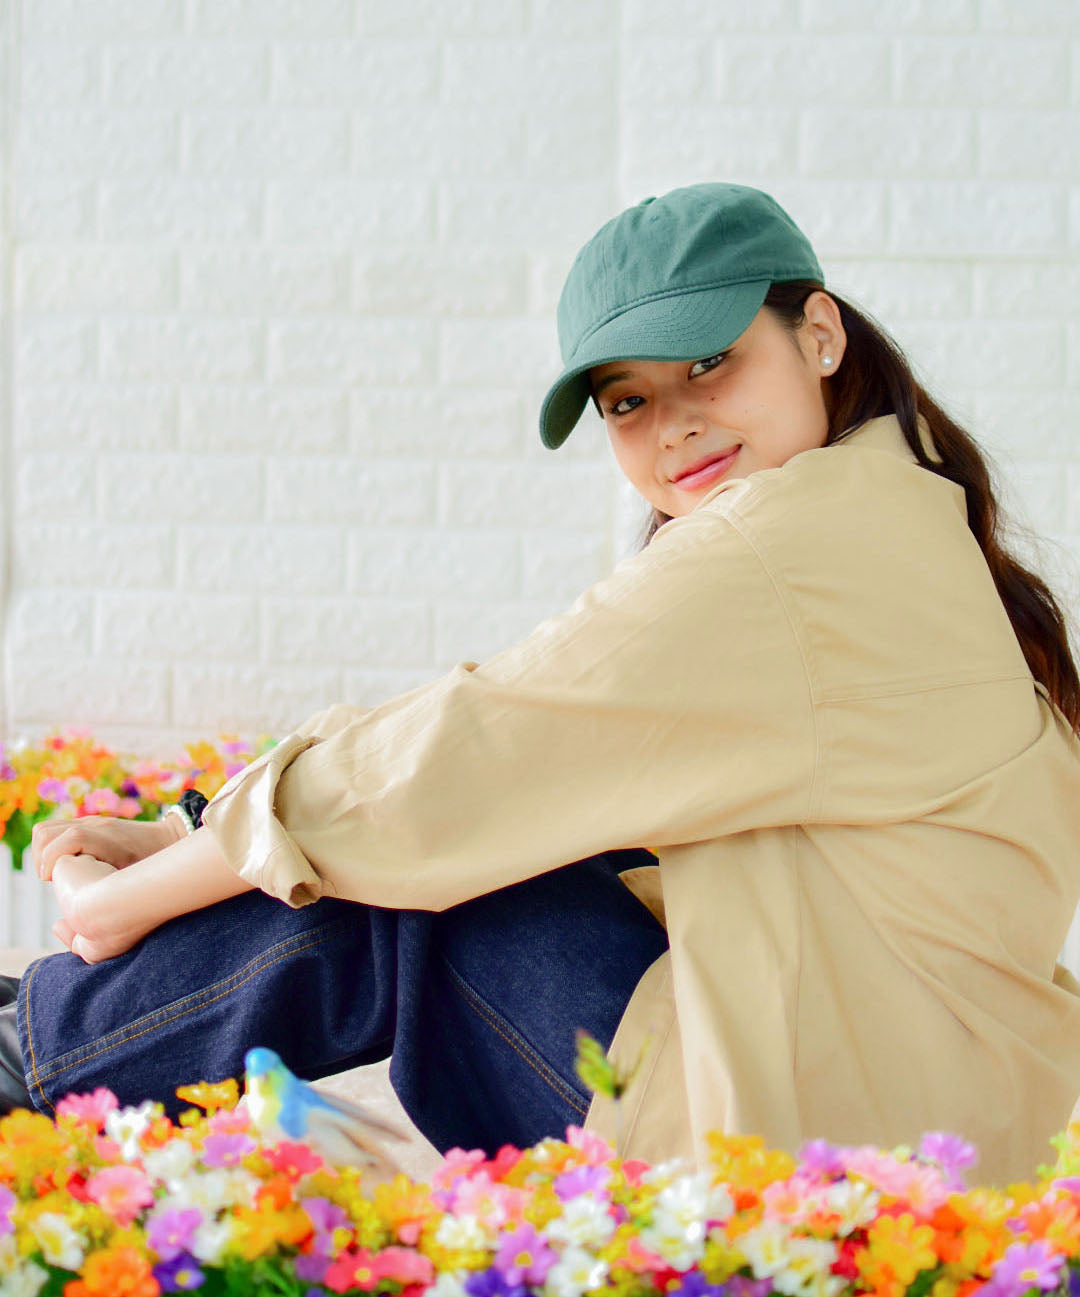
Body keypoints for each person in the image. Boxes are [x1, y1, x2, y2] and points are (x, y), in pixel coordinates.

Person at [7, 180, 1080, 1186]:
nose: (675, 425)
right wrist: (198, 836)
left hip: (810, 1167)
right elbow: (523, 732)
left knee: (435, 882)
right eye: (626, 401)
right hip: (929, 1133)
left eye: (709, 363)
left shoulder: (787, 551)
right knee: (483, 828)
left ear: (820, 335)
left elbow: (461, 761)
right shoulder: (894, 514)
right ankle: (46, 1037)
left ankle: (34, 1054)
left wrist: (125, 904)